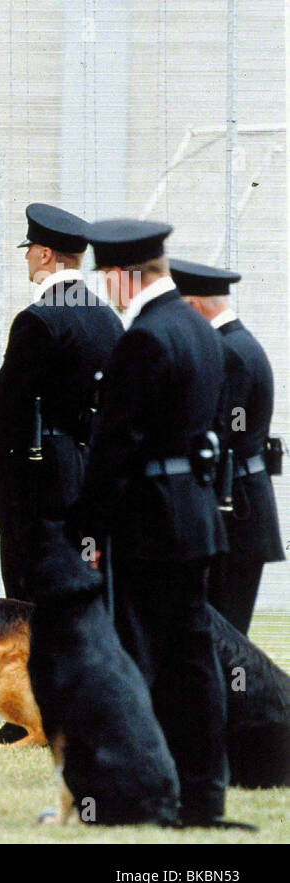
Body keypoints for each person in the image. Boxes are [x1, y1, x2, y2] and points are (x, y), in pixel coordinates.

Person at [78, 218, 248, 830]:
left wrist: (88, 533)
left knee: (140, 662)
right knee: (192, 662)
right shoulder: (198, 330)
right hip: (194, 517)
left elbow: (113, 448)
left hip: (149, 523)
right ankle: (202, 798)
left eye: (107, 278)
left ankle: (142, 793)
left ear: (125, 275)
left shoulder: (145, 338)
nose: (105, 290)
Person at [0, 203, 121, 746]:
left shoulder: (38, 319)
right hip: (86, 478)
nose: (28, 257)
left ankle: (27, 717)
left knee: (23, 604)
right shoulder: (106, 317)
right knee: (73, 600)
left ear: (46, 254)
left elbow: (6, 403)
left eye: (30, 248)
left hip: (36, 477)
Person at [170, 258, 282, 636]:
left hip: (236, 513)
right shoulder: (237, 343)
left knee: (227, 640)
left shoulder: (230, 351)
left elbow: (226, 428)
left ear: (192, 306)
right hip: (242, 509)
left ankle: (233, 697)